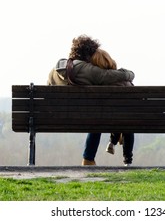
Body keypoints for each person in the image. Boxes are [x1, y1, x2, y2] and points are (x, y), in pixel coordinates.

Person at [47, 35, 135, 166]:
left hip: (55, 116)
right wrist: (129, 74)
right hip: (86, 117)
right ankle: (89, 158)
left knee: (94, 114)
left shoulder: (55, 70)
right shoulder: (85, 69)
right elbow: (109, 76)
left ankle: (91, 157)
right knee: (96, 118)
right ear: (88, 54)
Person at [90, 48, 134, 166]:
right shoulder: (124, 79)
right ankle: (127, 161)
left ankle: (112, 141)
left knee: (117, 116)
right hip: (125, 118)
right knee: (127, 122)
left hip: (105, 119)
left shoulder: (98, 82)